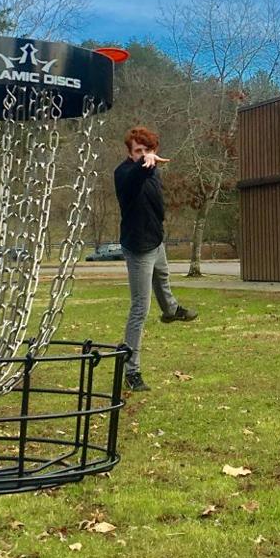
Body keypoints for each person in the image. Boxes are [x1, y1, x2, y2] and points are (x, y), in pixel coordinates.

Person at [114, 126, 196, 391]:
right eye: (138, 151)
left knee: (162, 276)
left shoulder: (153, 171)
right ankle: (131, 371)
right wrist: (144, 165)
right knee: (140, 309)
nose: (144, 155)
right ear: (130, 153)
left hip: (155, 240)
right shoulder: (126, 173)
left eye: (148, 151)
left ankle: (171, 311)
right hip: (138, 247)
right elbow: (132, 184)